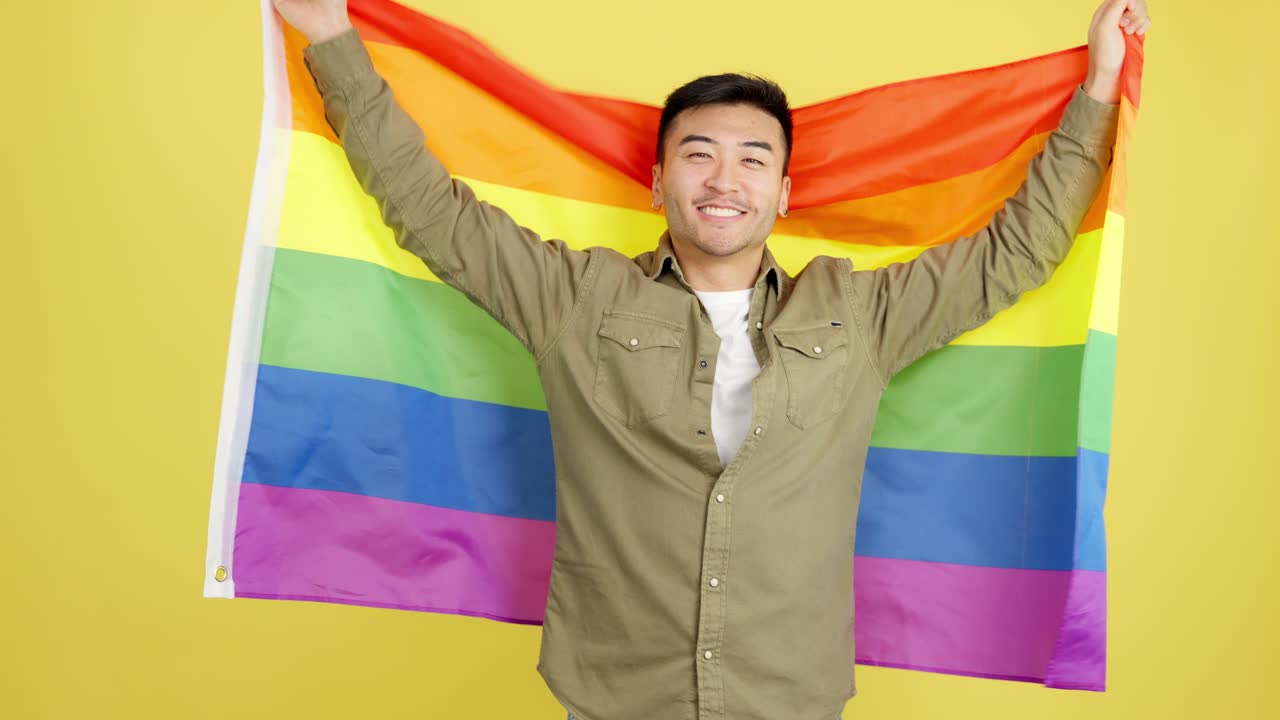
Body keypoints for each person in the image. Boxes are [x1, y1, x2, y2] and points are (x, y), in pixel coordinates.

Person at [269, 1, 1151, 718]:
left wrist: (1100, 85)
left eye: (752, 160)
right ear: (659, 183)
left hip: (790, 699)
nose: (725, 181)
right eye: (698, 156)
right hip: (617, 696)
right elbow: (433, 213)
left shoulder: (858, 316)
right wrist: (330, 35)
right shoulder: (576, 300)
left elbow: (1016, 253)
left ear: (784, 192)